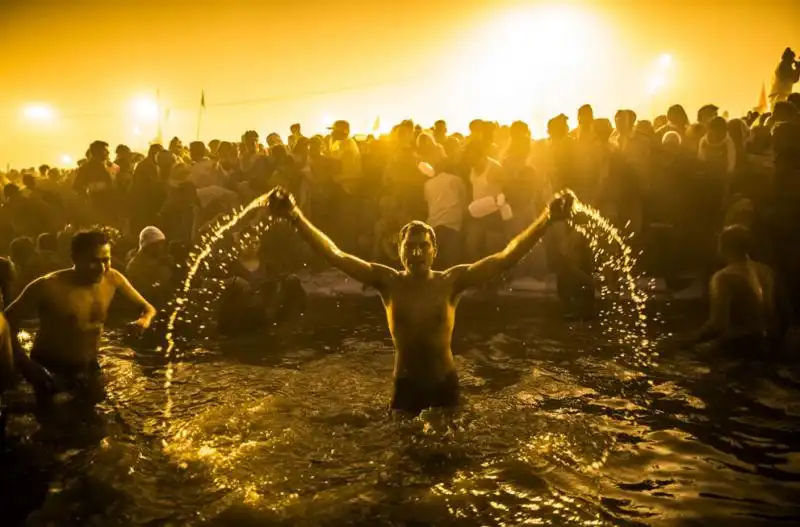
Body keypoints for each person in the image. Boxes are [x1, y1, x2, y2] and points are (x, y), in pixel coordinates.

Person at [266, 186, 575, 415]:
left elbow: (506, 257)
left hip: (445, 387)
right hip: (406, 389)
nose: (416, 253)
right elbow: (336, 255)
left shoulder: (451, 282)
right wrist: (295, 216)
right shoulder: (387, 282)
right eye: (410, 246)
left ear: (434, 250)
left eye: (422, 247)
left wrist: (547, 218)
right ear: (398, 249)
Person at [5, 230, 157, 409]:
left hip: (90, 366)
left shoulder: (112, 279)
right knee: (54, 426)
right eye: (93, 261)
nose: (101, 268)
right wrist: (28, 366)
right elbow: (4, 324)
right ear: (74, 258)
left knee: (95, 421)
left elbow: (148, 308)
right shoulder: (47, 286)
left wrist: (142, 321)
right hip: (50, 369)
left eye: (105, 260)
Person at [682, 225, 779, 358]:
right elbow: (782, 313)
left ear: (722, 247)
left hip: (736, 348)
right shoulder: (766, 272)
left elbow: (717, 325)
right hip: (766, 345)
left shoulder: (723, 278)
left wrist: (685, 342)